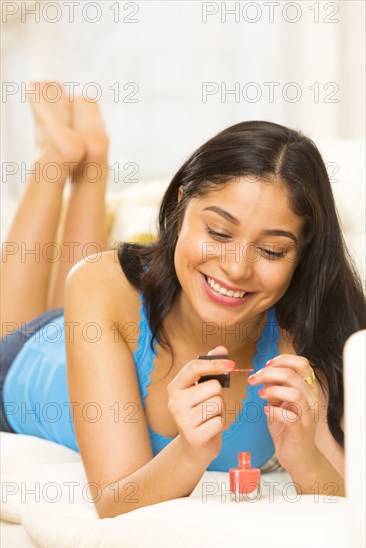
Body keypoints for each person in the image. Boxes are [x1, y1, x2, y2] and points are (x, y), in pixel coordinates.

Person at [1, 82, 365, 519]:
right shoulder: (102, 285)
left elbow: (351, 500)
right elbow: (115, 504)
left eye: (271, 251)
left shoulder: (305, 333)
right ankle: (56, 158)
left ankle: (89, 159)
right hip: (32, 355)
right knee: (44, 301)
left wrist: (304, 456)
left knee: (89, 276)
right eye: (218, 232)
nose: (236, 268)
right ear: (180, 204)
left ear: (301, 256)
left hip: (107, 320)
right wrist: (189, 453)